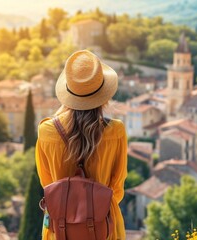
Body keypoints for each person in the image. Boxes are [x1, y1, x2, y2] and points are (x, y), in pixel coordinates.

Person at [35, 50, 127, 240]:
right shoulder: (116, 131)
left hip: (59, 230)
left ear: (68, 92)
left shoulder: (46, 131)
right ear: (104, 93)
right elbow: (117, 189)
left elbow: (47, 183)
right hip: (105, 228)